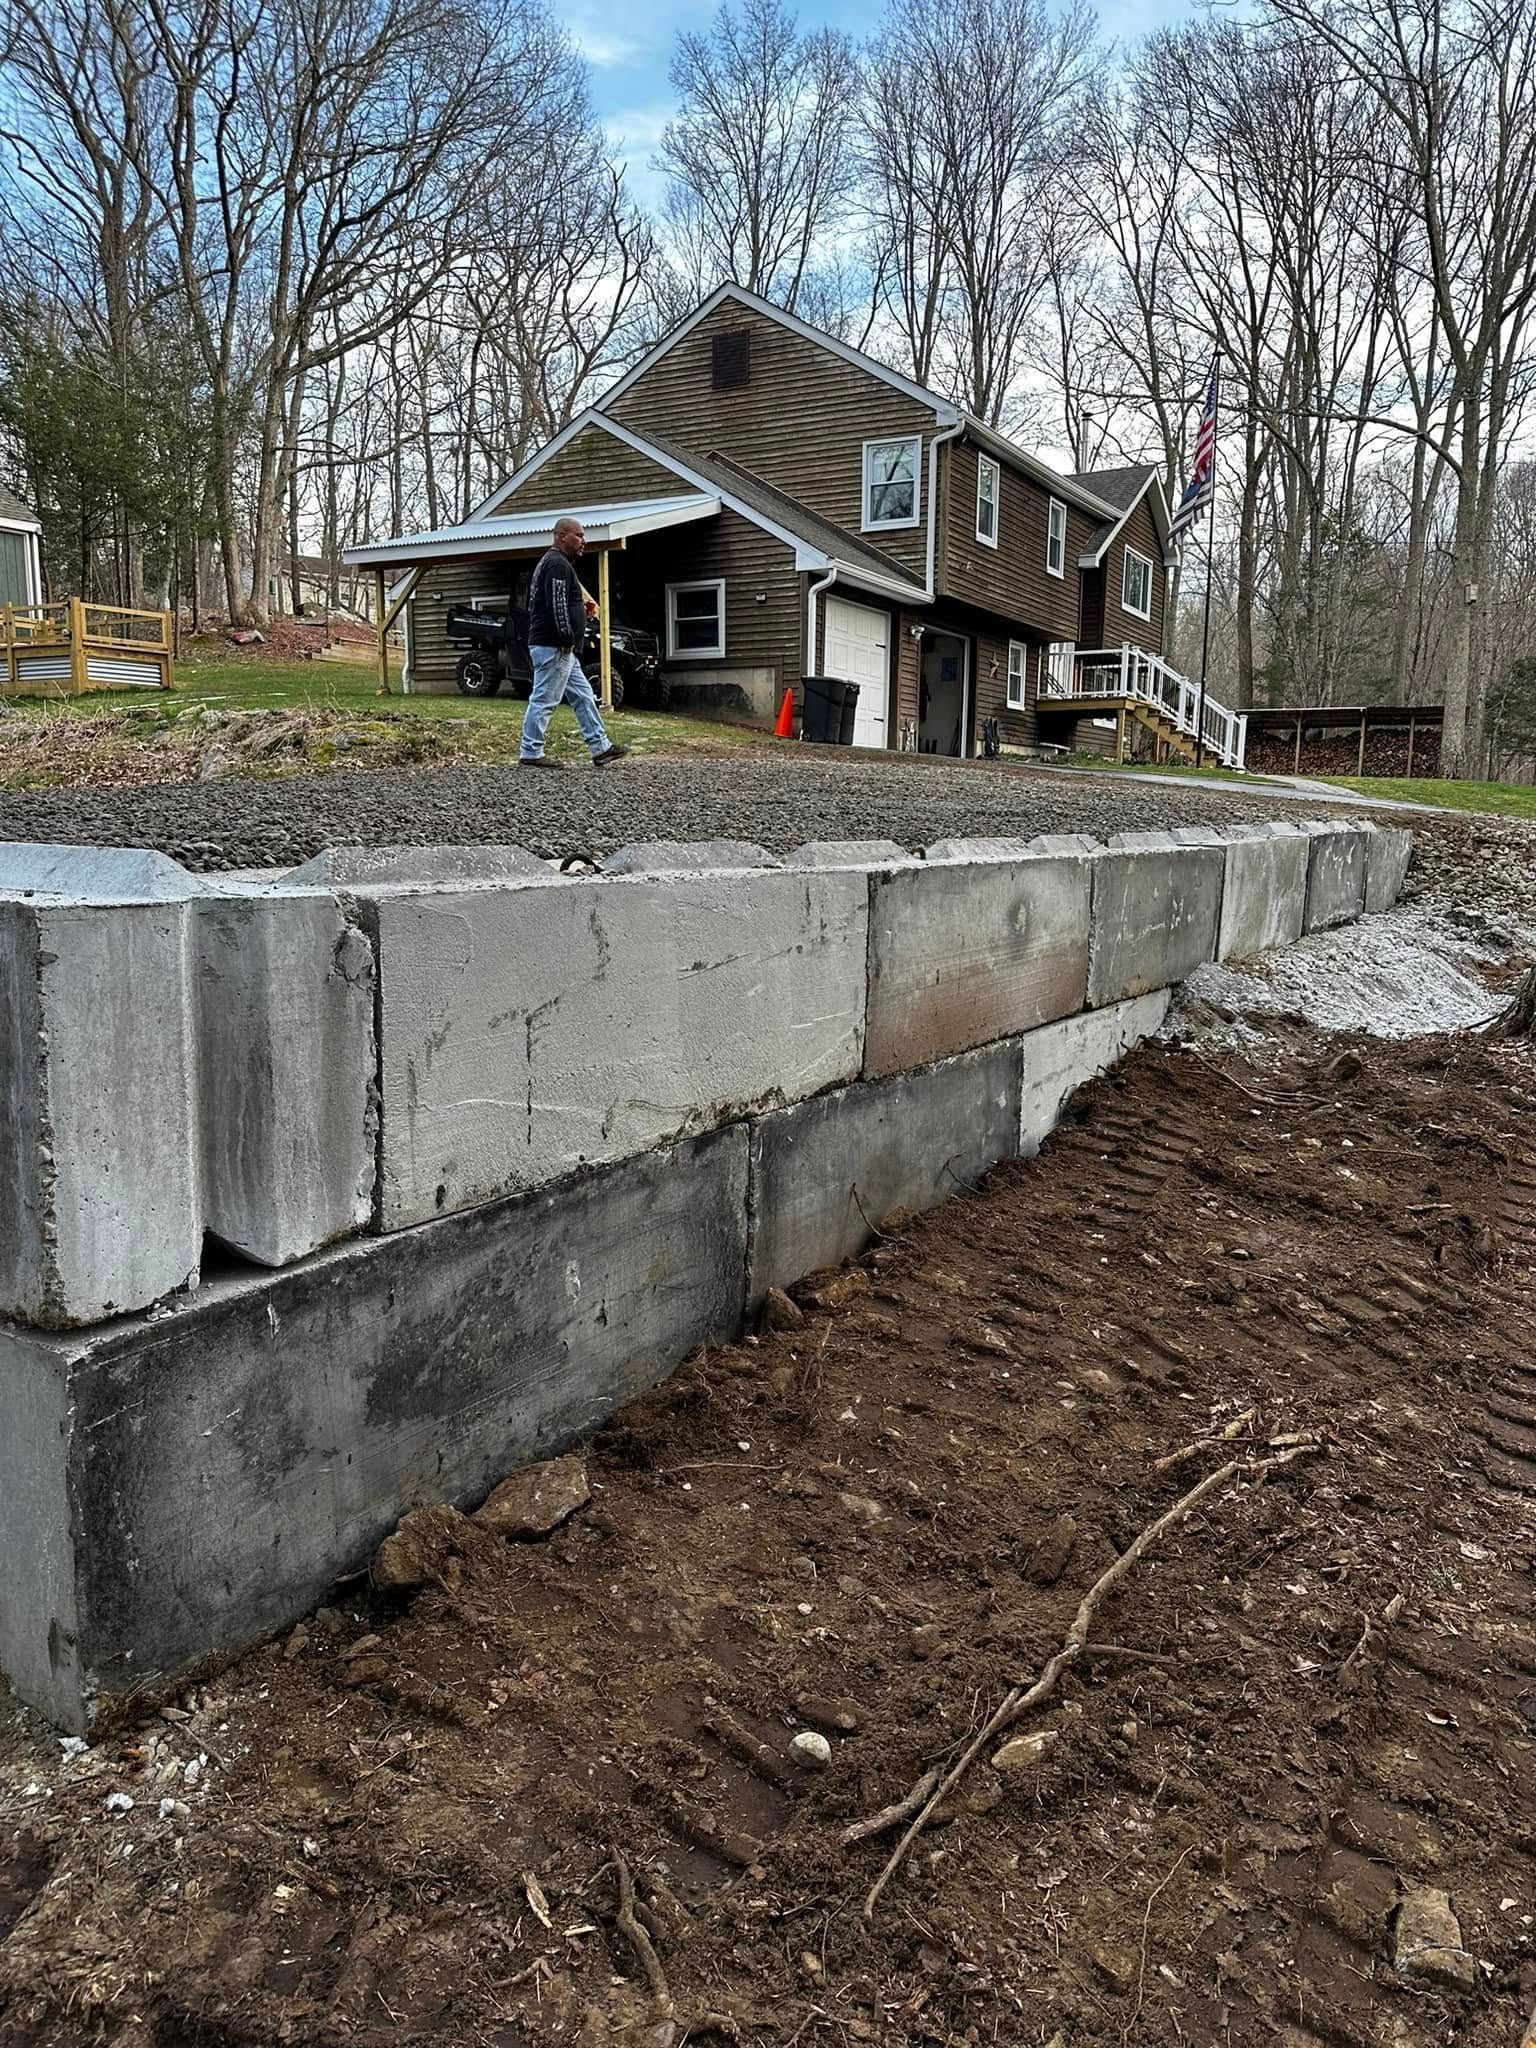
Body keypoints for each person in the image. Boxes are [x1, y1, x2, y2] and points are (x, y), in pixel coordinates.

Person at [520, 517, 629, 769]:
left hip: (560, 648)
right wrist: (566, 637)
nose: (583, 541)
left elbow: (556, 602)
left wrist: (581, 609)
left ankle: (600, 747)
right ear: (561, 536)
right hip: (555, 646)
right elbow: (556, 604)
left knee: (583, 695)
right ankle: (531, 751)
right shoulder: (557, 564)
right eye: (578, 536)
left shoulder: (554, 563)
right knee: (545, 698)